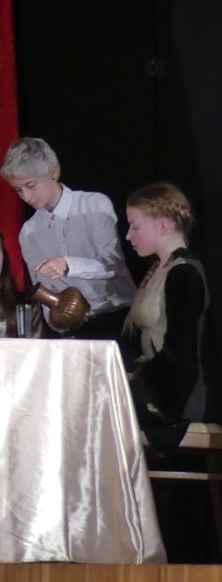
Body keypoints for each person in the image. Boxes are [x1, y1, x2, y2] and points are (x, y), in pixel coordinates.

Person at [0, 137, 135, 339]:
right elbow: (45, 293)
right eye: (19, 190)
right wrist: (58, 325)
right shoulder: (29, 232)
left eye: (30, 185)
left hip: (119, 318)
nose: (26, 197)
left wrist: (68, 265)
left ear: (53, 172)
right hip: (74, 329)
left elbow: (113, 264)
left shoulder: (94, 205)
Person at [122, 183, 212, 446]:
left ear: (163, 226)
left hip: (178, 394)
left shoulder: (184, 273)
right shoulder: (156, 269)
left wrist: (135, 384)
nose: (128, 236)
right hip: (155, 383)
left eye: (135, 227)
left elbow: (182, 355)